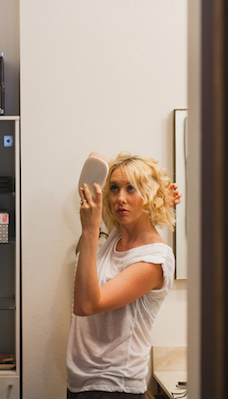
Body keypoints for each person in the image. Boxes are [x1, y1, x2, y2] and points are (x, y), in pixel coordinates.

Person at [67, 152, 180, 399]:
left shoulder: (153, 262)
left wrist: (89, 229)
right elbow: (95, 158)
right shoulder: (119, 235)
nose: (120, 198)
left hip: (115, 387)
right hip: (82, 381)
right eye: (115, 188)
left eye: (132, 189)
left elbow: (86, 305)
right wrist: (157, 195)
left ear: (148, 195)